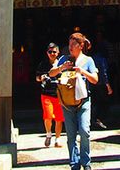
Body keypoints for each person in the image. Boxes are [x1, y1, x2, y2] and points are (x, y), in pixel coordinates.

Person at [49, 32, 98, 170]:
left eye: (73, 44)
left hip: (83, 101)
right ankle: (74, 163)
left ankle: (86, 162)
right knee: (70, 134)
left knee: (84, 131)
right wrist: (61, 68)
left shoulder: (88, 60)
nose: (70, 47)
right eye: (69, 44)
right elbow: (51, 73)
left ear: (81, 45)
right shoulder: (64, 58)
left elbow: (95, 79)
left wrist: (82, 71)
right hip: (66, 102)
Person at [36, 42, 64, 147]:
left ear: (58, 52)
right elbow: (37, 77)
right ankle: (48, 134)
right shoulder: (43, 64)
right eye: (50, 52)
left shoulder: (61, 64)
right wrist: (41, 78)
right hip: (46, 93)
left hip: (59, 93)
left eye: (54, 52)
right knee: (48, 116)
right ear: (47, 53)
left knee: (59, 118)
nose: (52, 53)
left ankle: (57, 138)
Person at [90, 41, 113, 129]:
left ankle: (94, 119)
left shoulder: (91, 58)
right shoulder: (102, 59)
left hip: (92, 83)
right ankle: (98, 119)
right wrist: (108, 85)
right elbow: (104, 72)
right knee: (103, 102)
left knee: (94, 102)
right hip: (101, 84)